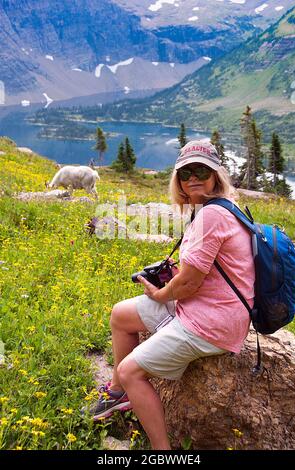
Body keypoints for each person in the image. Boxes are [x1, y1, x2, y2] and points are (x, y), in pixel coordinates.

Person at [84, 139, 255, 450]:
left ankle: (162, 451)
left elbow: (189, 285)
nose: (193, 178)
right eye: (185, 172)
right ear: (178, 179)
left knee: (130, 370)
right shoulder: (214, 209)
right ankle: (118, 394)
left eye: (201, 170)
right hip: (201, 304)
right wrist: (177, 280)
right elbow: (202, 276)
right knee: (121, 315)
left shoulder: (211, 215)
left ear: (216, 174)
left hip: (212, 322)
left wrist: (163, 293)